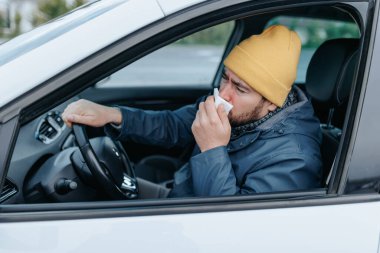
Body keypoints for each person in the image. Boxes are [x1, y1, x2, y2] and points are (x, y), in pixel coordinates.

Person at [62, 25, 322, 198]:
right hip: (180, 195)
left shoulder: (295, 160)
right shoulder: (240, 110)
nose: (223, 94)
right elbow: (174, 124)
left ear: (272, 102)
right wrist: (113, 115)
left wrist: (212, 150)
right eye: (225, 78)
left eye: (240, 89)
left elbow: (233, 227)